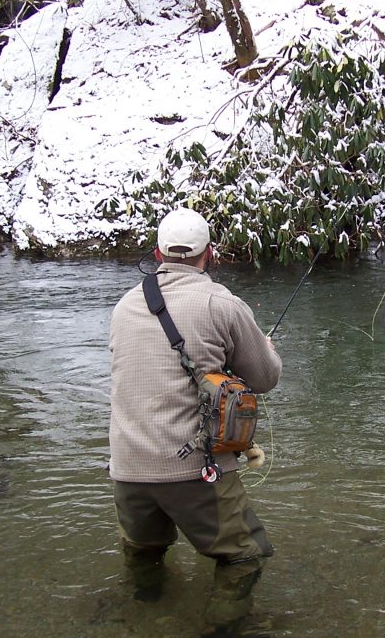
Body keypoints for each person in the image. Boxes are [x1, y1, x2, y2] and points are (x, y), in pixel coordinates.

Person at [108, 207, 282, 635]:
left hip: (126, 467)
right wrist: (266, 346)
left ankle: (146, 604)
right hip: (191, 468)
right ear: (211, 255)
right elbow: (264, 378)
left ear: (158, 253)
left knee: (144, 549)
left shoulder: (125, 305)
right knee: (245, 555)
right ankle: (222, 629)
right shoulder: (221, 302)